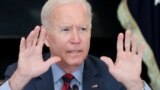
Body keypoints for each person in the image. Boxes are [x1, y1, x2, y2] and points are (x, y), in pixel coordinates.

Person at [0, 0, 151, 90]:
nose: (76, 39)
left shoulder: (111, 76)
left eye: (83, 29)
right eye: (66, 29)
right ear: (46, 37)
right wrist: (19, 79)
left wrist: (135, 85)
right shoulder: (22, 74)